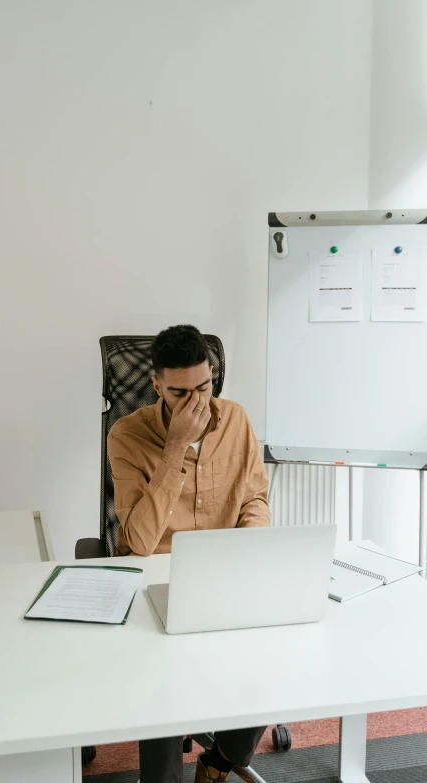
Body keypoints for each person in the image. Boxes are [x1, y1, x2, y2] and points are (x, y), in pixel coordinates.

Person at [108, 324, 271, 783]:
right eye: (180, 392)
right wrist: (177, 444)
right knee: (159, 673)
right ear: (157, 385)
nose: (196, 401)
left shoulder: (236, 420)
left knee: (276, 645)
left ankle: (220, 760)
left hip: (224, 575)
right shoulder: (126, 435)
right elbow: (138, 541)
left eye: (204, 386)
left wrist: (254, 548)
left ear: (213, 375)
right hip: (154, 580)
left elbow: (255, 499)